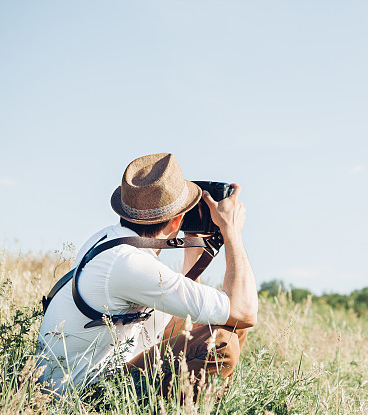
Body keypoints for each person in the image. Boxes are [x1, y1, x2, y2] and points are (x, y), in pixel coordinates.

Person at [36, 153, 258, 397]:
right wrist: (232, 231)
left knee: (224, 322)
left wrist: (195, 247)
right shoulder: (129, 264)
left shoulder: (109, 241)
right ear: (176, 222)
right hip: (83, 396)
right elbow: (245, 312)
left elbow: (185, 310)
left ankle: (191, 408)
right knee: (222, 341)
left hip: (79, 378)